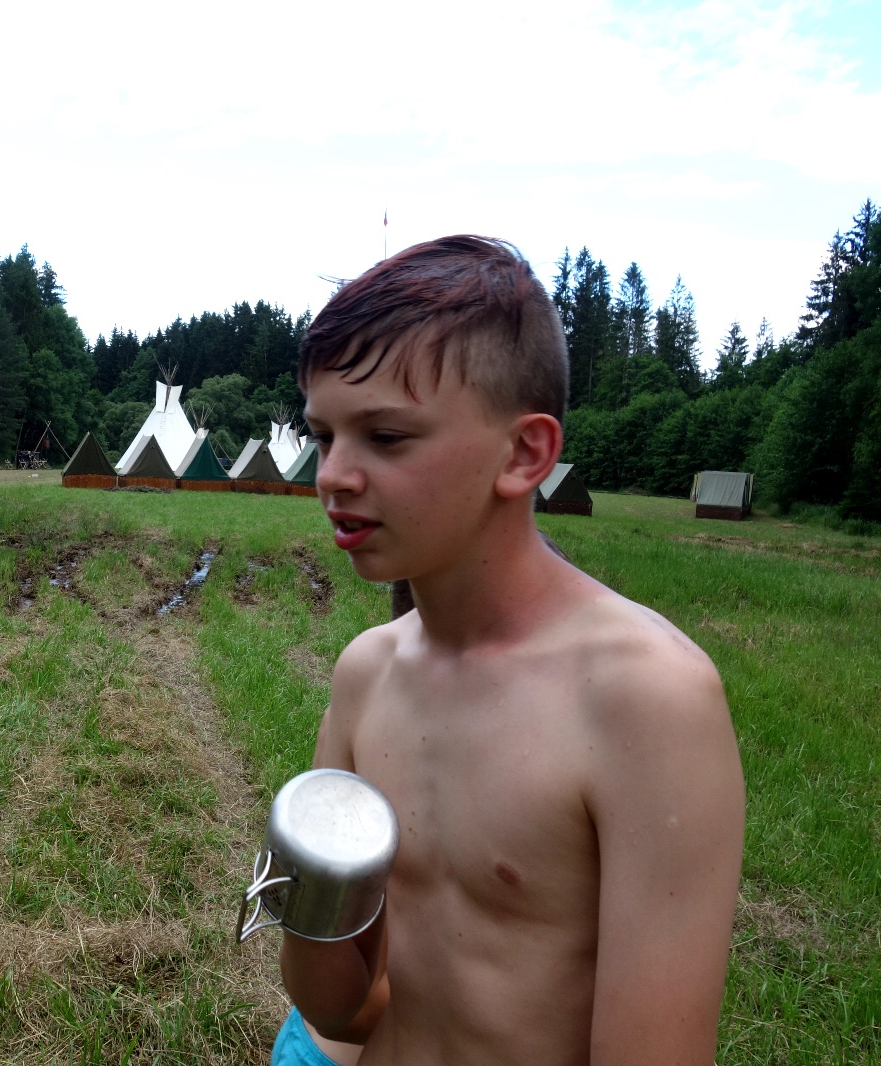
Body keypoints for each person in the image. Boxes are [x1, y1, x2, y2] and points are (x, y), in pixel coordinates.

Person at [279, 236, 746, 1066]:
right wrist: (307, 894)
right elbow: (345, 1011)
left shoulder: (646, 701)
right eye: (324, 435)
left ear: (525, 453)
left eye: (385, 436)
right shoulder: (367, 675)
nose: (333, 475)